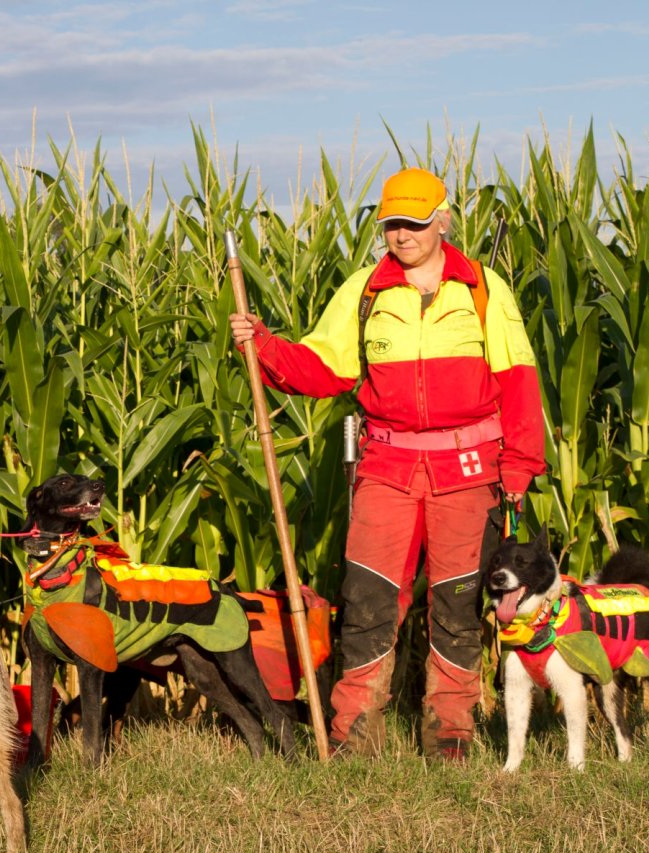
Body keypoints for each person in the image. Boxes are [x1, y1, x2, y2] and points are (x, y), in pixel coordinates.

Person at [229, 168, 546, 760]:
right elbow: (324, 368)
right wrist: (265, 345)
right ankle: (355, 727)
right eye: (392, 224)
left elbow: (520, 382)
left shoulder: (482, 289)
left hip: (469, 469)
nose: (401, 235)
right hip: (388, 467)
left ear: (443, 220)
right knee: (369, 597)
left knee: (457, 600)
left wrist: (521, 468)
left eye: (414, 223)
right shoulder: (365, 290)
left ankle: (449, 729)